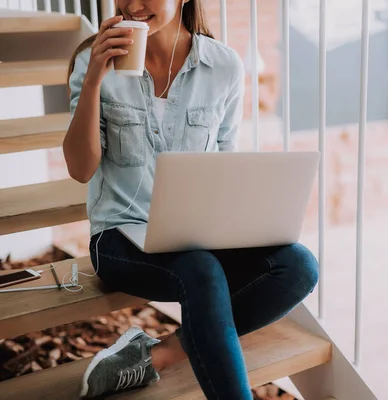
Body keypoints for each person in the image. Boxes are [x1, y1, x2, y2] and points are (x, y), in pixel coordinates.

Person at [63, 0, 319, 398]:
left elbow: (223, 166)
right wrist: (95, 78)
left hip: (196, 235)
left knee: (297, 265)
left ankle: (159, 354)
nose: (131, 4)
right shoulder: (94, 60)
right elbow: (80, 169)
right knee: (200, 269)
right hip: (119, 236)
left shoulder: (224, 67)